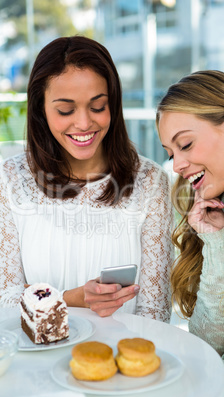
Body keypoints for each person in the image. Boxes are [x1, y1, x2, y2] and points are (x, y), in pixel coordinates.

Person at [0, 35, 173, 323]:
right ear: (40, 110)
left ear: (113, 105)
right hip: (35, 363)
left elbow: (155, 312)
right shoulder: (9, 180)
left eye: (97, 106)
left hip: (121, 360)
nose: (83, 123)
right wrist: (70, 299)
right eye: (65, 110)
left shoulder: (151, 181)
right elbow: (4, 298)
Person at [156, 70, 224, 397]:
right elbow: (208, 345)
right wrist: (216, 245)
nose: (176, 165)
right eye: (170, 152)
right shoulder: (211, 213)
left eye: (185, 144)